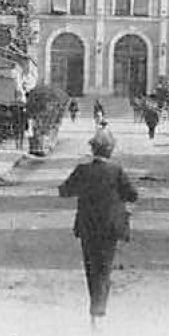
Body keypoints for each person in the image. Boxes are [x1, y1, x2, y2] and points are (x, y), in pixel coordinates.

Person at [58, 129, 138, 326]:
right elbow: (132, 194)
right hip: (110, 227)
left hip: (88, 226)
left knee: (91, 267)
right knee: (105, 267)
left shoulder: (82, 170)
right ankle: (99, 311)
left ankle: (96, 311)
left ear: (93, 149)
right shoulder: (116, 171)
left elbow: (64, 191)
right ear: (110, 151)